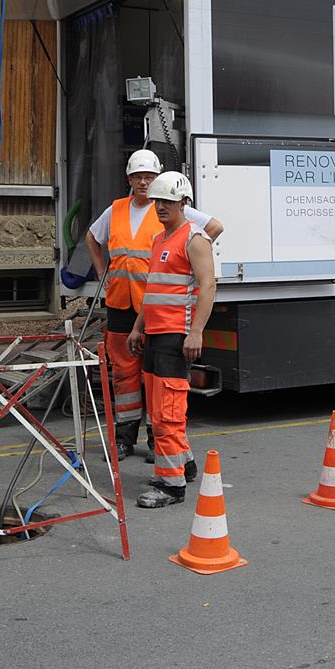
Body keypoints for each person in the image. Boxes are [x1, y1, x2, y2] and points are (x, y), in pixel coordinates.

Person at [85, 150, 221, 462]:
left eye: (148, 176)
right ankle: (124, 436)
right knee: (124, 374)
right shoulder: (117, 209)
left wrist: (191, 256)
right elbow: (92, 238)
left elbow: (212, 229)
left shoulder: (172, 210)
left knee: (156, 378)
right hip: (123, 303)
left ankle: (156, 439)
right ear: (129, 179)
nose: (143, 182)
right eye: (137, 177)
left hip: (160, 312)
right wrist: (100, 273)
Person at [127, 171, 215, 508]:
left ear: (183, 203)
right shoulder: (159, 239)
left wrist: (196, 332)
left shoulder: (194, 239)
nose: (161, 207)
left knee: (167, 413)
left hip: (176, 337)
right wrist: (138, 327)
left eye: (167, 201)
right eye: (157, 201)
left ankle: (171, 485)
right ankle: (184, 465)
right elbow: (154, 291)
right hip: (155, 334)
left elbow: (208, 286)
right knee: (160, 410)